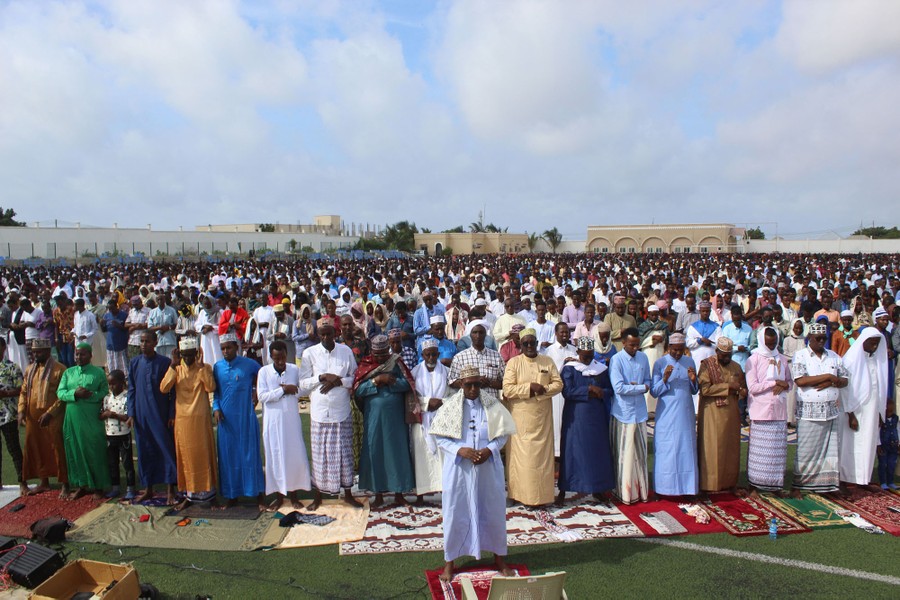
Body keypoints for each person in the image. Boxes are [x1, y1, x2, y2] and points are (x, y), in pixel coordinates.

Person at [431, 365, 517, 583]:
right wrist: (460, 450)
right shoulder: (450, 406)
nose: (473, 389)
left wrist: (490, 449)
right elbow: (440, 437)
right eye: (468, 385)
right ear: (461, 384)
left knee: (492, 510)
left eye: (476, 385)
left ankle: (499, 558)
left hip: (488, 468)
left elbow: (503, 434)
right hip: (460, 470)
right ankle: (450, 562)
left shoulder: (493, 405)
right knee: (455, 512)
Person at [298, 318, 361, 511]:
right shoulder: (309, 353)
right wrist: (322, 377)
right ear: (318, 335)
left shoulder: (346, 351)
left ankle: (348, 495)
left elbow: (355, 378)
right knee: (320, 457)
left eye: (329, 334)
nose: (326, 337)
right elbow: (302, 385)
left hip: (341, 411)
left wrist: (338, 381)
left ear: (336, 333)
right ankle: (318, 497)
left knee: (345, 455)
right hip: (320, 413)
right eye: (322, 334)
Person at [502, 329, 563, 508]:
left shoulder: (547, 361)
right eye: (526, 343)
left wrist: (542, 391)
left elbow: (558, 384)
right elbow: (507, 389)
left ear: (537, 343)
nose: (529, 346)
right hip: (520, 418)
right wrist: (529, 388)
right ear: (520, 345)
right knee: (520, 459)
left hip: (542, 418)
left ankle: (542, 496)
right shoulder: (514, 363)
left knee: (540, 460)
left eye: (532, 343)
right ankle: (516, 494)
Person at [353, 334, 416, 508]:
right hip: (373, 416)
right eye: (377, 355)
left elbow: (408, 384)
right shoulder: (366, 365)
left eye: (383, 354)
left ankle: (399, 493)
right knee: (375, 451)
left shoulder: (396, 362)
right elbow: (358, 390)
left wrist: (391, 382)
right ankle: (378, 494)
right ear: (372, 352)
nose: (381, 358)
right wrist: (376, 381)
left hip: (395, 418)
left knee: (397, 452)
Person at [790, 322, 849, 497]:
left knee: (830, 452)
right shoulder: (801, 355)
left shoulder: (834, 356)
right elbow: (801, 380)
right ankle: (798, 486)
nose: (822, 341)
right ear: (810, 338)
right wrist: (829, 377)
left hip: (830, 412)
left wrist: (832, 382)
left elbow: (845, 379)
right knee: (806, 451)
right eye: (818, 338)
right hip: (809, 412)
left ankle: (827, 485)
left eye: (824, 338)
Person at [160, 337, 217, 511]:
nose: (187, 358)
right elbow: (164, 388)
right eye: (184, 355)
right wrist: (172, 365)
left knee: (203, 455)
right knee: (186, 457)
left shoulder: (205, 368)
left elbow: (211, 387)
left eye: (190, 354)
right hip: (183, 421)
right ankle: (189, 496)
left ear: (196, 353)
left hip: (200, 420)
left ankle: (209, 496)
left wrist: (201, 367)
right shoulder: (177, 369)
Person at [556, 337, 615, 504]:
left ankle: (598, 488)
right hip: (576, 417)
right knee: (572, 452)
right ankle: (564, 488)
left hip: (596, 417)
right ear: (578, 352)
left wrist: (601, 392)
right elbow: (567, 391)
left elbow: (609, 390)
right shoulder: (570, 368)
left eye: (590, 356)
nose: (588, 359)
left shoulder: (600, 369)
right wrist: (589, 389)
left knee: (597, 452)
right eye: (585, 356)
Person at [213, 332, 265, 510]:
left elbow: (263, 374)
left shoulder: (249, 364)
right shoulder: (217, 367)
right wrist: (216, 408)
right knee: (228, 457)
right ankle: (231, 495)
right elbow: (216, 392)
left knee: (250, 455)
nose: (225, 351)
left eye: (228, 347)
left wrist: (256, 391)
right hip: (226, 420)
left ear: (236, 347)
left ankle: (258, 495)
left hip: (245, 417)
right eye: (223, 348)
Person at [257, 340, 312, 511]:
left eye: (282, 357)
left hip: (291, 421)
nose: (280, 361)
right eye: (277, 359)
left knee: (293, 456)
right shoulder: (264, 372)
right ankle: (279, 496)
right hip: (273, 422)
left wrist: (293, 389)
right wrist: (282, 390)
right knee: (276, 457)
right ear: (271, 357)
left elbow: (303, 389)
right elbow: (262, 396)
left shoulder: (294, 369)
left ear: (287, 354)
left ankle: (294, 495)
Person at [127, 331, 177, 504]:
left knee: (165, 448)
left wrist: (171, 414)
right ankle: (148, 489)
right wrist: (131, 413)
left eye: (147, 341)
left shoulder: (164, 363)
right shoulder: (134, 363)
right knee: (145, 450)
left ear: (155, 342)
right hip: (141, 415)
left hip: (160, 414)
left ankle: (171, 490)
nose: (144, 344)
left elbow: (172, 392)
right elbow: (131, 389)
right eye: (141, 341)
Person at [57, 343, 110, 500]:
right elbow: (60, 392)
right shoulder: (68, 372)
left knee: (94, 449)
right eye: (77, 354)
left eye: (83, 354)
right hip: (72, 417)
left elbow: (105, 391)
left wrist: (90, 396)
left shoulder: (98, 373)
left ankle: (99, 486)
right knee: (75, 450)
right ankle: (82, 485)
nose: (79, 357)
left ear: (90, 355)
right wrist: (74, 393)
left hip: (91, 417)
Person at [650, 333, 699, 497]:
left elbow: (694, 390)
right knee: (667, 448)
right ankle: (664, 489)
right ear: (669, 347)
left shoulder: (689, 362)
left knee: (686, 448)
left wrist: (693, 379)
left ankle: (687, 489)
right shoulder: (660, 363)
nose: (678, 353)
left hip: (685, 412)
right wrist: (664, 378)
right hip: (666, 413)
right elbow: (654, 392)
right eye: (675, 350)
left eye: (681, 350)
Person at [17, 338, 68, 497]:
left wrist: (50, 413)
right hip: (33, 418)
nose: (36, 355)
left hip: (53, 417)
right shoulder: (30, 369)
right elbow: (24, 391)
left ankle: (65, 483)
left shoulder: (60, 369)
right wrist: (21, 410)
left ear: (47, 351)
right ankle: (44, 482)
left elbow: (62, 396)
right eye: (34, 352)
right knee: (36, 447)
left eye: (38, 352)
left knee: (57, 448)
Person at [839, 328, 888, 491]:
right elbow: (845, 390)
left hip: (871, 412)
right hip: (854, 411)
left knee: (868, 444)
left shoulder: (875, 360)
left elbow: (879, 389)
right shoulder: (851, 360)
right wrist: (851, 414)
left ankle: (863, 480)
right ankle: (844, 480)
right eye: (872, 343)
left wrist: (880, 413)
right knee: (850, 445)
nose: (874, 347)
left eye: (877, 344)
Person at [745, 327, 792, 497]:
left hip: (779, 410)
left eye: (774, 343)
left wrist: (785, 384)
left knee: (777, 453)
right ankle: (754, 486)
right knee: (759, 453)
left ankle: (776, 486)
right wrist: (774, 383)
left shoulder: (782, 359)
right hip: (761, 411)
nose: (771, 346)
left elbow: (789, 382)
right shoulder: (753, 359)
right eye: (768, 343)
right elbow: (753, 387)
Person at [608, 327, 651, 504]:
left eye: (637, 345)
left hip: (639, 412)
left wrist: (636, 387)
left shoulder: (643, 358)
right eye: (632, 345)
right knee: (624, 455)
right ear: (623, 343)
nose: (635, 348)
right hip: (623, 413)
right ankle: (623, 493)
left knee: (641, 454)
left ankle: (642, 493)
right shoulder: (616, 360)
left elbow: (648, 381)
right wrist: (639, 387)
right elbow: (619, 388)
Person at [410, 340, 447, 503]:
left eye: (434, 354)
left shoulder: (446, 372)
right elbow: (410, 397)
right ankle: (421, 494)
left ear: (438, 354)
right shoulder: (415, 372)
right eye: (428, 354)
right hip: (421, 419)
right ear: (422, 355)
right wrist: (426, 402)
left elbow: (452, 394)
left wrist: (441, 402)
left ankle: (445, 492)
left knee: (443, 457)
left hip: (441, 418)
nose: (431, 358)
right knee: (421, 457)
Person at [100, 369, 136, 500]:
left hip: (123, 435)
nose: (111, 387)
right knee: (112, 463)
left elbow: (127, 416)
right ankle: (115, 487)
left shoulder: (126, 398)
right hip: (110, 435)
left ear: (122, 383)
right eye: (109, 384)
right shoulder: (107, 398)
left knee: (127, 463)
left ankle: (130, 488)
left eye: (114, 384)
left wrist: (112, 414)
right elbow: (101, 415)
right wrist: (105, 414)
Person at [545, 321, 577, 459]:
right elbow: (548, 374)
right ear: (556, 333)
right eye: (562, 332)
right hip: (557, 392)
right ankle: (556, 453)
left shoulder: (574, 350)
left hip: (571, 391)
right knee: (557, 421)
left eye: (567, 332)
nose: (565, 334)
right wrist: (564, 365)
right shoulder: (549, 351)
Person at [0, 337, 26, 495]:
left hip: (8, 414)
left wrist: (6, 393)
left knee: (14, 449)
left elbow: (21, 389)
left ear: (3, 348)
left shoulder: (12, 367)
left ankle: (22, 482)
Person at [639, 304, 669, 417]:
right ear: (648, 314)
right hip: (647, 354)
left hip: (660, 354)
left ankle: (657, 407)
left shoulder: (664, 325)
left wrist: (661, 339)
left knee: (659, 377)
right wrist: (652, 340)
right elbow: (640, 342)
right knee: (648, 377)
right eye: (652, 315)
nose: (654, 317)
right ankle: (647, 408)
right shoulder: (643, 326)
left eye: (656, 315)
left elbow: (667, 340)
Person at [101, 299, 130, 374]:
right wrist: (101, 324)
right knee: (112, 364)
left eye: (112, 308)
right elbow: (104, 330)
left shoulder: (124, 315)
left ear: (116, 306)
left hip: (121, 343)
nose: (111, 310)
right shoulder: (106, 316)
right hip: (111, 343)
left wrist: (118, 325)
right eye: (109, 309)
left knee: (123, 363)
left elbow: (127, 329)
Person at [194, 295, 223, 366]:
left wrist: (211, 328)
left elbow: (223, 326)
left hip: (216, 339)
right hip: (205, 340)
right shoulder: (202, 312)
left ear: (212, 303)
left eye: (208, 304)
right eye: (205, 304)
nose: (206, 306)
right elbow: (196, 325)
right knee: (206, 357)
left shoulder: (220, 312)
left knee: (217, 355)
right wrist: (203, 327)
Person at [147, 293, 178, 359]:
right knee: (159, 360)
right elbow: (149, 328)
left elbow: (176, 324)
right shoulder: (152, 312)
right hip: (158, 341)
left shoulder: (171, 310)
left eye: (161, 299)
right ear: (156, 301)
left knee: (171, 360)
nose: (160, 301)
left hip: (170, 340)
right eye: (158, 300)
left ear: (164, 300)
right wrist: (160, 328)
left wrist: (168, 328)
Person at [877, 400, 898, 490]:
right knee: (883, 464)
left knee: (891, 464)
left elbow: (897, 429)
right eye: (888, 411)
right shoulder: (881, 420)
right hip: (883, 445)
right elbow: (877, 432)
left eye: (891, 411)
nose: (890, 413)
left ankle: (890, 482)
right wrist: (878, 444)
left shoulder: (896, 418)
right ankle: (883, 482)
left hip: (894, 445)